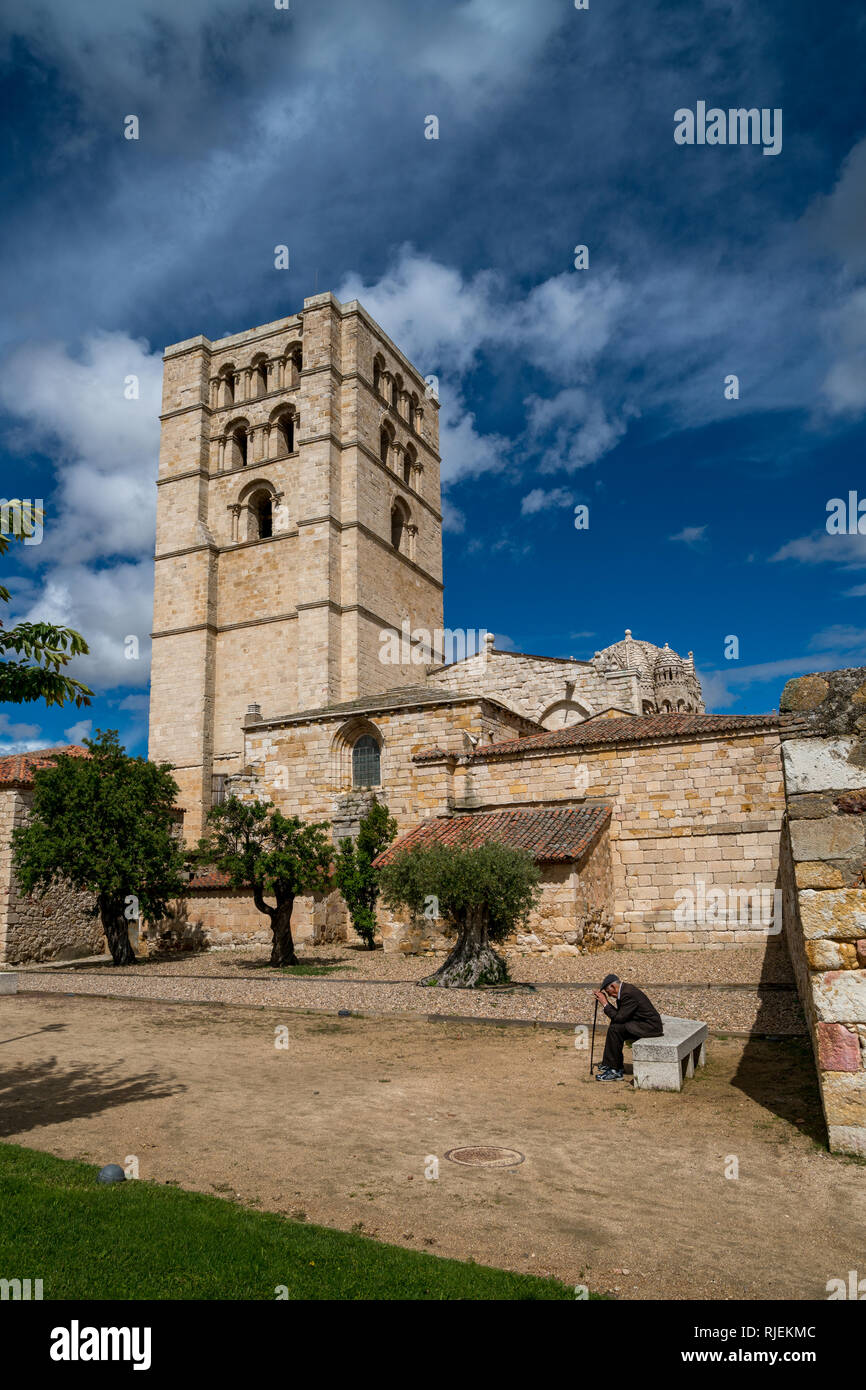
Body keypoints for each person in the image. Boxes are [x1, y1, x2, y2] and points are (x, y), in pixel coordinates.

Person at [592, 973, 663, 1081]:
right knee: (615, 1026)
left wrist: (605, 1003)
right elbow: (619, 1016)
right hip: (642, 1023)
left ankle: (615, 1070)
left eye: (608, 992)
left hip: (650, 1027)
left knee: (616, 1029)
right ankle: (612, 1064)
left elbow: (619, 1018)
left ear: (613, 987)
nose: (609, 995)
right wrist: (606, 1003)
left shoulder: (628, 994)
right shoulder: (624, 991)